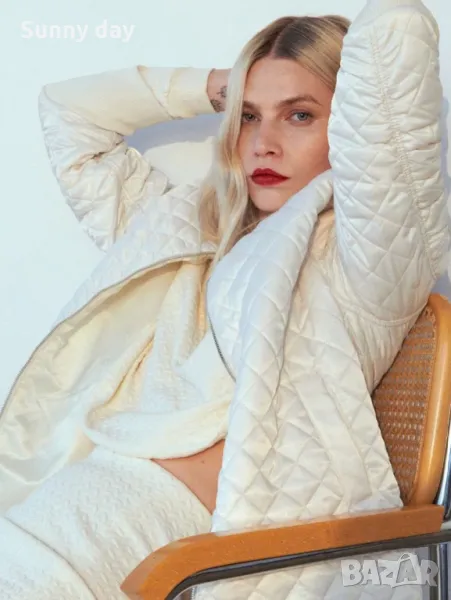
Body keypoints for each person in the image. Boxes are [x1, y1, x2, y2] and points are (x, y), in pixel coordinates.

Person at [0, 0, 448, 598]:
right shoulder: (185, 229)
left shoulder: (366, 258)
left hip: (169, 546)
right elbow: (68, 114)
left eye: (300, 116)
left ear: (350, 126)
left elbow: (396, 34)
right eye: (248, 117)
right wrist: (223, 86)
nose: (263, 143)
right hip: (75, 503)